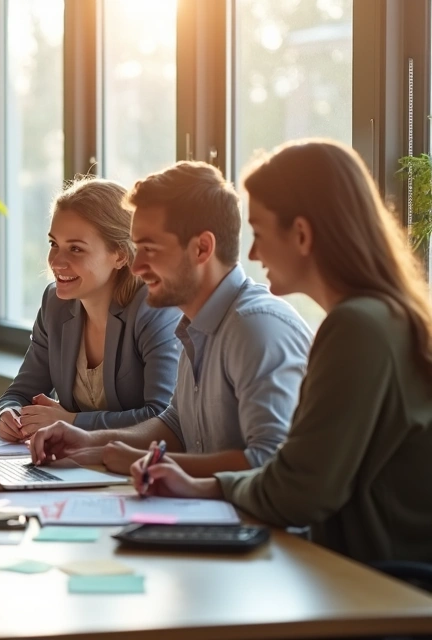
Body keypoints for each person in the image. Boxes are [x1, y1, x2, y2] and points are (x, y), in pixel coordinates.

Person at [132, 139, 432, 564]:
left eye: (259, 232)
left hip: (386, 589)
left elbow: (299, 489)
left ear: (302, 234)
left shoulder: (357, 327)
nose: (252, 253)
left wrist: (209, 487)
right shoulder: (382, 317)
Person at [30, 161, 312, 476]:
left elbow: (269, 461)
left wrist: (156, 463)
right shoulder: (195, 327)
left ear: (202, 249)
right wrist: (88, 442)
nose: (136, 268)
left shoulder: (255, 328)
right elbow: (174, 427)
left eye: (150, 249)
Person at [0, 178, 181, 440]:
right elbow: (19, 393)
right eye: (53, 244)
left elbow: (162, 417)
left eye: (76, 249)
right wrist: (9, 415)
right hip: (75, 466)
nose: (56, 262)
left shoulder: (154, 308)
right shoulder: (55, 304)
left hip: (137, 469)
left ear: (120, 255)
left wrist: (72, 422)